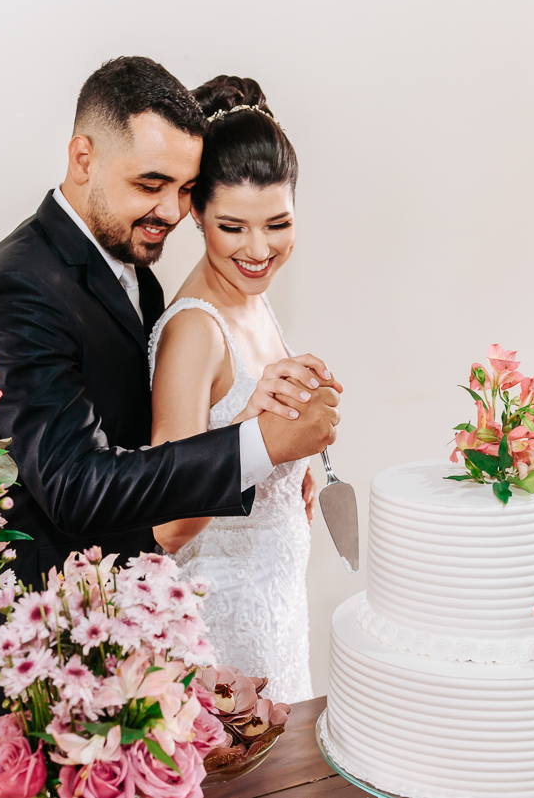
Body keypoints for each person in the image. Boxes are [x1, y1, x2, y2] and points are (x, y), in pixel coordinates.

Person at [0, 57, 342, 727]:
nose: (171, 212)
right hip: (41, 653)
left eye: (183, 189)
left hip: (126, 633)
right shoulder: (19, 285)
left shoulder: (133, 268)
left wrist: (271, 455)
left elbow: (149, 440)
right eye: (150, 184)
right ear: (82, 156)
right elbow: (75, 483)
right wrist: (254, 446)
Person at [147, 76, 319, 703]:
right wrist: (261, 438)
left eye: (278, 224)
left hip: (279, 608)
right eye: (232, 227)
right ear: (195, 211)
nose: (258, 249)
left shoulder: (253, 299)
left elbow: (263, 431)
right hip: (223, 625)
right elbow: (163, 522)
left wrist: (295, 463)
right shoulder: (195, 329)